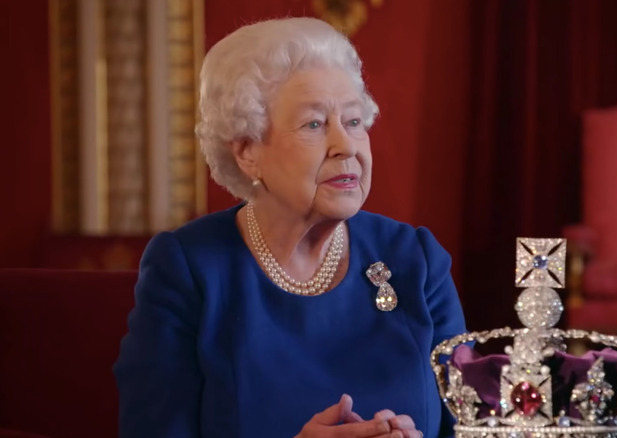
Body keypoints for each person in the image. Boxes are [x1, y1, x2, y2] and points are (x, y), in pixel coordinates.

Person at [113, 16, 467, 438]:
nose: (346, 146)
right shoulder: (189, 270)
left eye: (354, 122)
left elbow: (474, 425)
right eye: (314, 124)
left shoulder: (416, 260)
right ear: (247, 152)